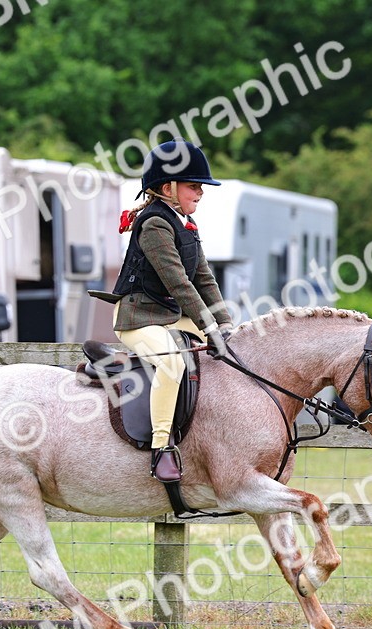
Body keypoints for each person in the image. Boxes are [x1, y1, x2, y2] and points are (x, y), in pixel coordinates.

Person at [102, 140, 234, 483]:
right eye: (194, 186)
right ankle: (162, 448)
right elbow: (179, 285)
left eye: (200, 186)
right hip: (138, 317)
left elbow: (204, 279)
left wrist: (226, 324)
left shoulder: (186, 224)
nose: (201, 193)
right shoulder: (155, 225)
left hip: (171, 314)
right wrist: (210, 326)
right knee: (172, 361)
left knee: (235, 350)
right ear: (167, 188)